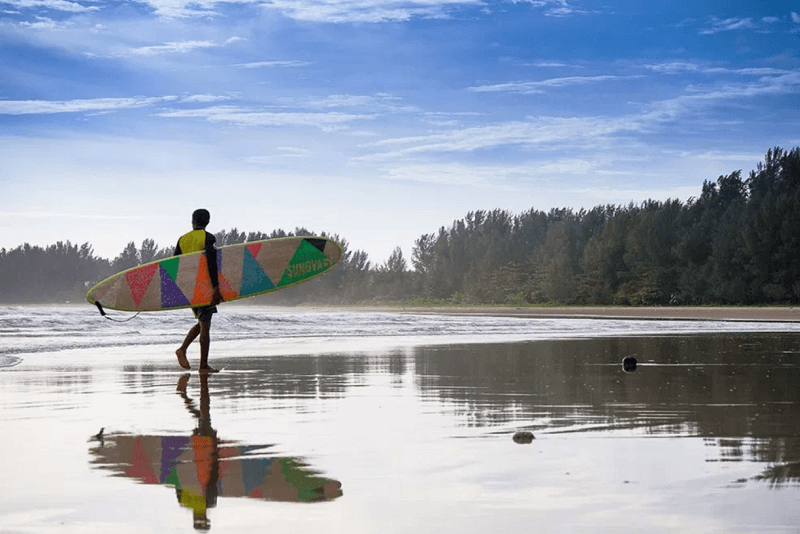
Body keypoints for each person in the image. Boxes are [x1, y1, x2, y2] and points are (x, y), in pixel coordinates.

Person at [175, 209, 223, 373]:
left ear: (192, 221)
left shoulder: (182, 240)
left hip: (189, 289)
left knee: (202, 322)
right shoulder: (208, 238)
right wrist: (216, 288)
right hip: (204, 288)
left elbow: (176, 265)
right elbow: (211, 263)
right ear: (208, 221)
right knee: (205, 327)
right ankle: (202, 365)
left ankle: (182, 349)